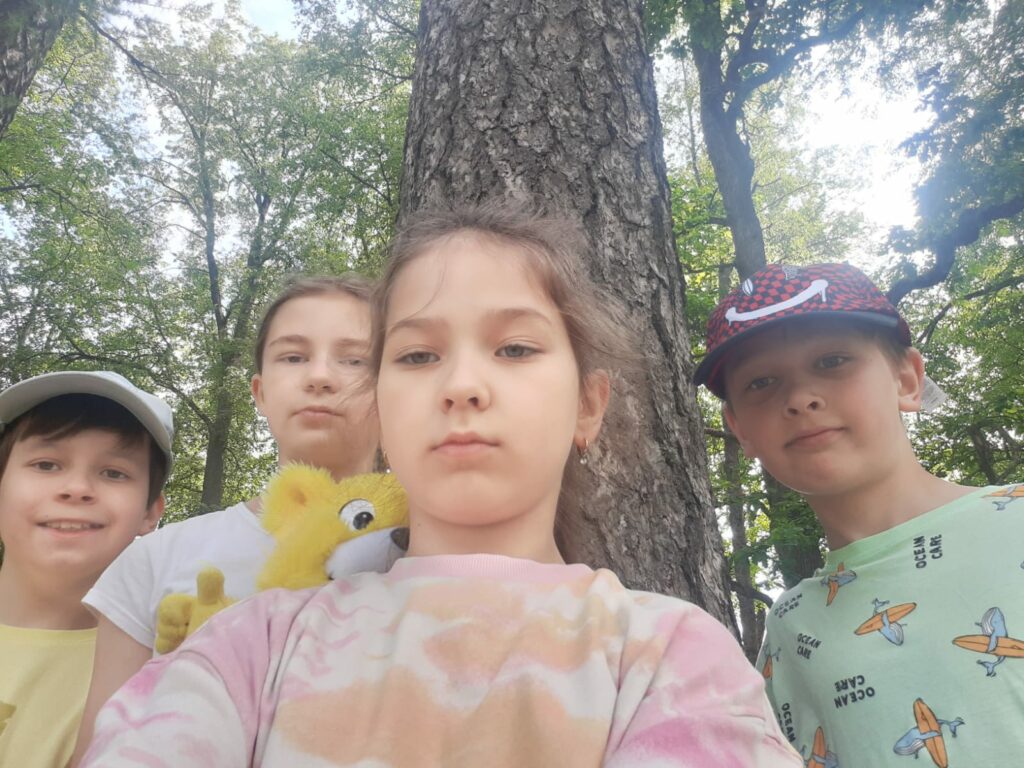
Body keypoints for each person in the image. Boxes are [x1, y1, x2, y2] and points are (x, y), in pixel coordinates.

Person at [80, 202, 800, 767]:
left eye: (514, 347)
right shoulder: (251, 645)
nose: (461, 384)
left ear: (588, 405)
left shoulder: (668, 654)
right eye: (418, 356)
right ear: (381, 407)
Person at [695, 262, 1024, 765]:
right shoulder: (790, 629)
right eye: (761, 383)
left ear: (907, 380)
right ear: (739, 429)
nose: (800, 399)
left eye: (832, 361)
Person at [71, 275, 401, 765]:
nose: (320, 376)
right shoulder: (157, 559)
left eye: (355, 360)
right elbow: (98, 746)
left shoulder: (429, 552)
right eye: (293, 356)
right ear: (260, 393)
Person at [0, 370, 172, 767]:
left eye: (113, 473)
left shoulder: (163, 678)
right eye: (46, 464)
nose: (76, 488)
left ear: (150, 512)